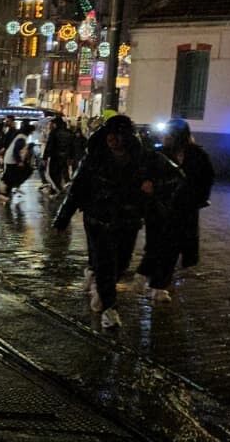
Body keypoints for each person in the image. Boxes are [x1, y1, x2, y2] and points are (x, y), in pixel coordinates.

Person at [53, 115, 164, 330]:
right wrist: (62, 218)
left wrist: (153, 187)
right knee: (105, 263)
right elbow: (77, 189)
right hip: (98, 219)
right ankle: (109, 307)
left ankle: (101, 288)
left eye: (118, 135)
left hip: (128, 221)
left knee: (121, 263)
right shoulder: (94, 159)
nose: (112, 139)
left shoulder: (143, 159)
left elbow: (171, 178)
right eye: (109, 134)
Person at [138, 119, 214, 302]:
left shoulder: (197, 155)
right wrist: (147, 185)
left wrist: (196, 198)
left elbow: (206, 178)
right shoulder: (158, 154)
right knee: (155, 245)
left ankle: (158, 284)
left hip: (182, 210)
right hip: (158, 209)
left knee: (172, 247)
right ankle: (149, 278)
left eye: (170, 134)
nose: (165, 137)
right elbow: (145, 174)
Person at [0, 121, 35, 199]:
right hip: (11, 160)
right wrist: (19, 161)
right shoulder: (22, 138)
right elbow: (16, 150)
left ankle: (0, 192)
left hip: (11, 160)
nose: (32, 133)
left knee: (8, 178)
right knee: (9, 178)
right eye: (32, 131)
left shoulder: (21, 137)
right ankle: (1, 192)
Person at [42, 117, 73, 193]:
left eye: (53, 123)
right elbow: (72, 146)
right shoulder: (69, 132)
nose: (52, 125)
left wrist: (45, 158)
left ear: (56, 124)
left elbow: (49, 145)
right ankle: (62, 189)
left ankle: (59, 189)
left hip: (55, 157)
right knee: (63, 174)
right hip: (65, 157)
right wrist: (71, 157)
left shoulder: (54, 132)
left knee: (53, 173)